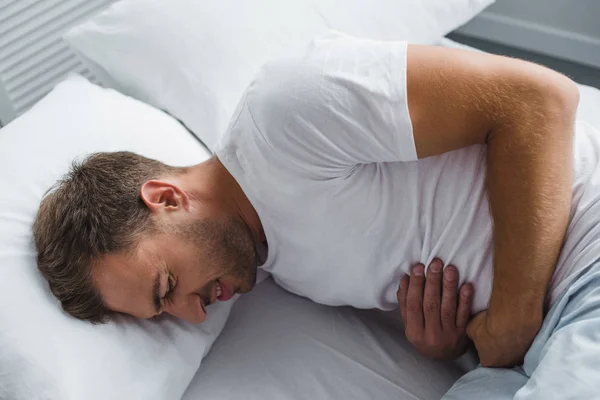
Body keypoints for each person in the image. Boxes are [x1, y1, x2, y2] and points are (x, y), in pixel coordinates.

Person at [33, 32, 599, 398]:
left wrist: (514, 315)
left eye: (168, 287)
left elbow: (539, 99)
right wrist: (447, 346)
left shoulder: (284, 116)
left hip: (584, 261)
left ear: (165, 198)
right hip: (521, 351)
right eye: (168, 313)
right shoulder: (287, 271)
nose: (194, 315)